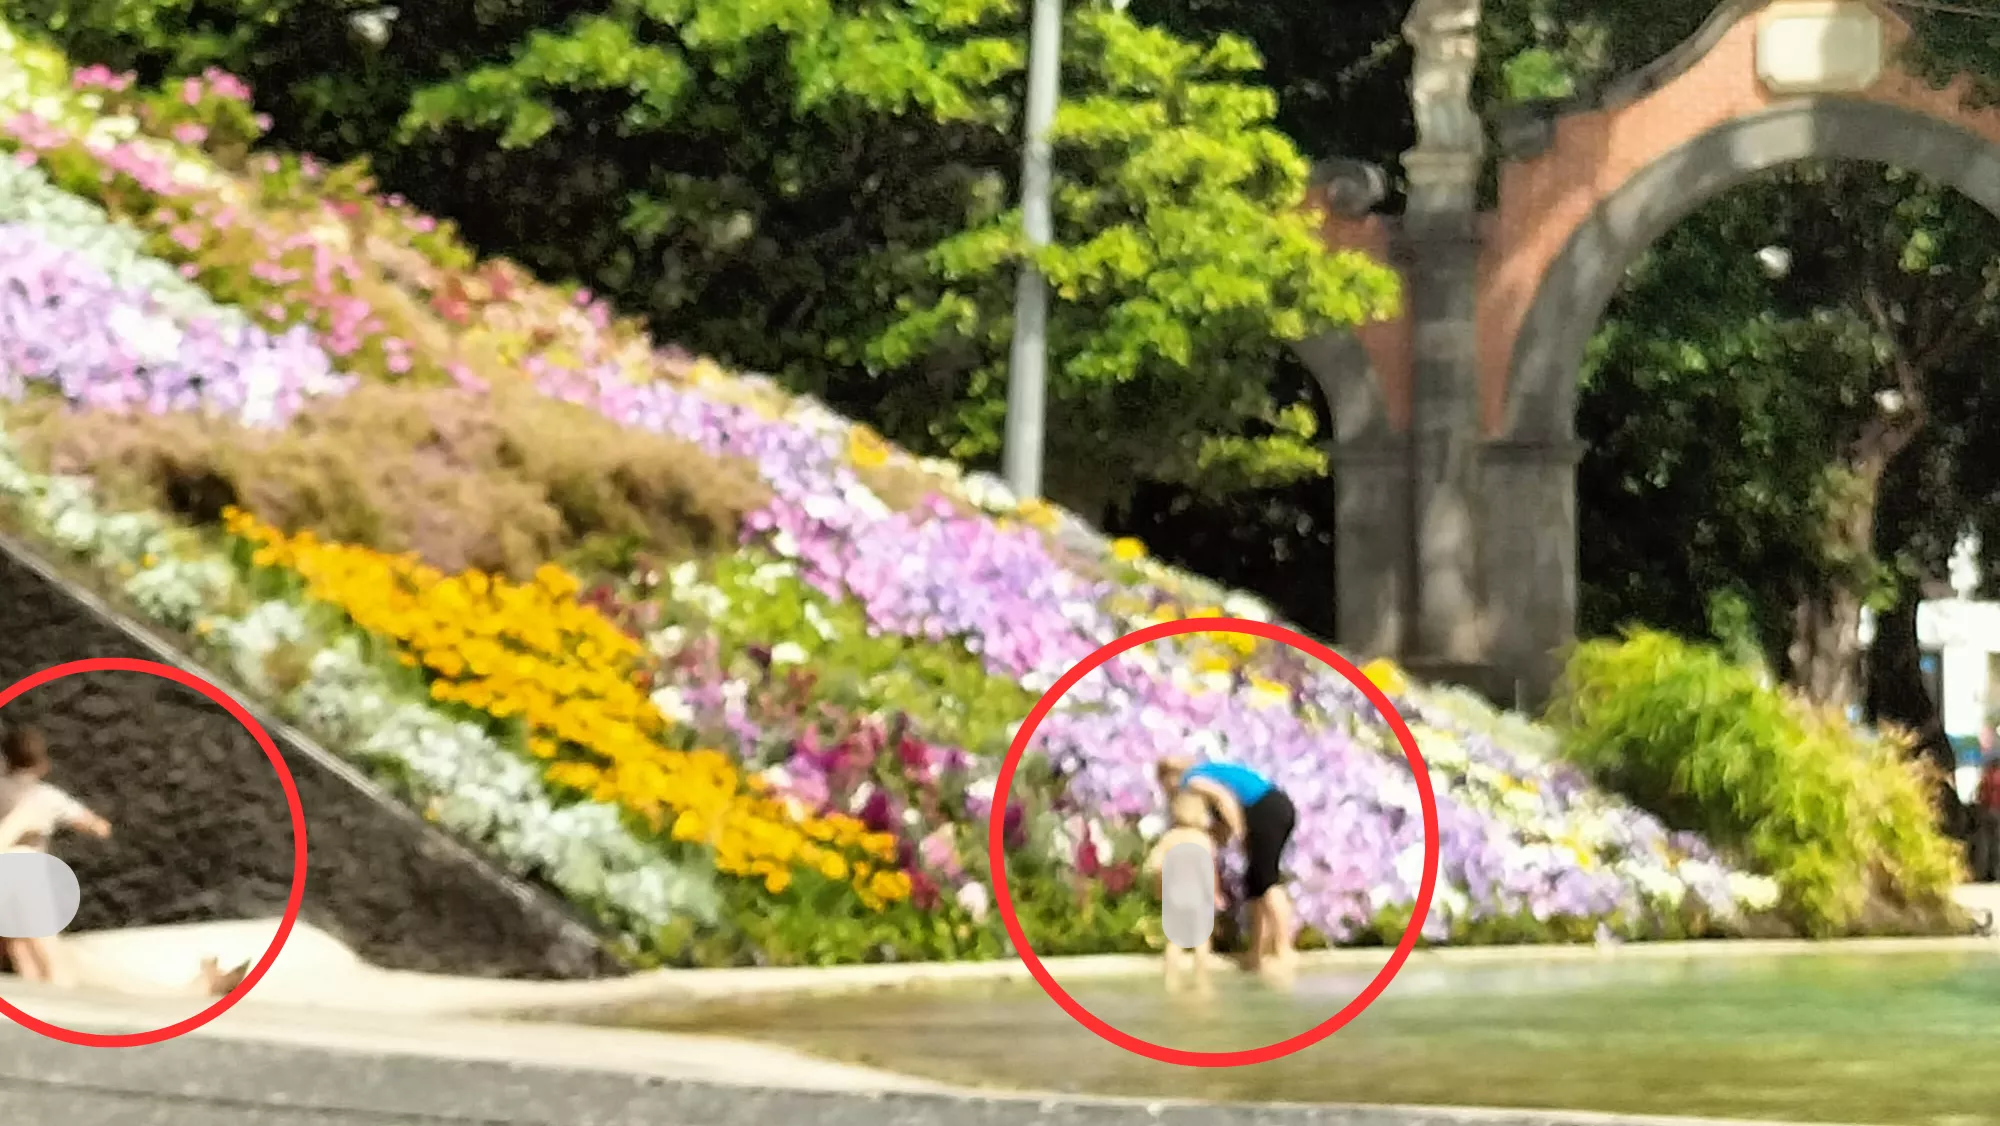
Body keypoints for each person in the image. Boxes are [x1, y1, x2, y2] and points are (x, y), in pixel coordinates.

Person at [1155, 755, 1298, 973]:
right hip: (1274, 808)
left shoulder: (1191, 780)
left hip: (1267, 810)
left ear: (1169, 777)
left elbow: (1225, 800)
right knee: (1254, 884)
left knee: (1266, 882)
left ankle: (1283, 950)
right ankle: (1257, 953)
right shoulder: (1204, 774)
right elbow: (1222, 816)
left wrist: (1240, 835)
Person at [0, 726, 110, 986]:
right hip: (28, 869)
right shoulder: (46, 796)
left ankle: (32, 998)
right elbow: (97, 827)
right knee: (46, 944)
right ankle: (61, 994)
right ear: (41, 763)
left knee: (17, 944)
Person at [1143, 790, 1221, 991]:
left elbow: (1156, 867)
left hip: (1175, 895)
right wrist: (1215, 893)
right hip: (1199, 896)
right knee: (1202, 940)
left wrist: (1159, 889)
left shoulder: (1169, 838)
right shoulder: (1204, 840)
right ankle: (1203, 980)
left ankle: (1171, 981)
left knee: (1174, 941)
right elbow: (1210, 870)